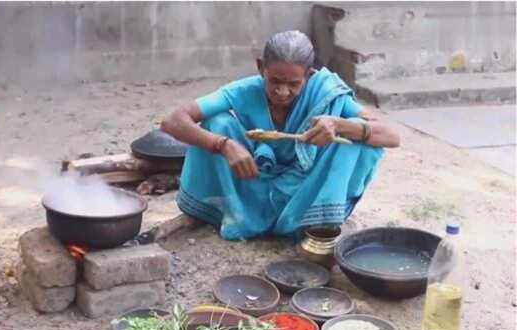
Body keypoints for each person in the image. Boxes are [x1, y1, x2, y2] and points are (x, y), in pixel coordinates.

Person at [161, 30, 400, 241]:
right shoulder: (243, 91)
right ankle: (232, 213)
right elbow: (173, 121)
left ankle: (318, 223)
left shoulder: (325, 92)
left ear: (309, 75)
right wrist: (223, 145)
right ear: (260, 67)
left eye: (294, 84)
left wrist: (338, 125)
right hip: (250, 179)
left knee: (359, 137)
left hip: (305, 189)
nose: (283, 92)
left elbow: (392, 137)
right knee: (216, 122)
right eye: (274, 81)